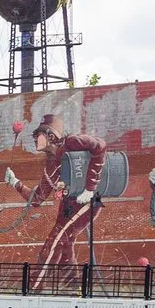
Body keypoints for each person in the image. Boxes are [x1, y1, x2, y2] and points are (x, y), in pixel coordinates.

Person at [22, 113, 106, 276]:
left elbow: (100, 146)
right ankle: (71, 283)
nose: (34, 139)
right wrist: (16, 184)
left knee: (55, 239)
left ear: (50, 136)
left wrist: (90, 187)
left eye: (37, 135)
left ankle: (35, 287)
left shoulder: (72, 143)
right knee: (66, 241)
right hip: (69, 203)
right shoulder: (49, 167)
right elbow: (37, 199)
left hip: (89, 200)